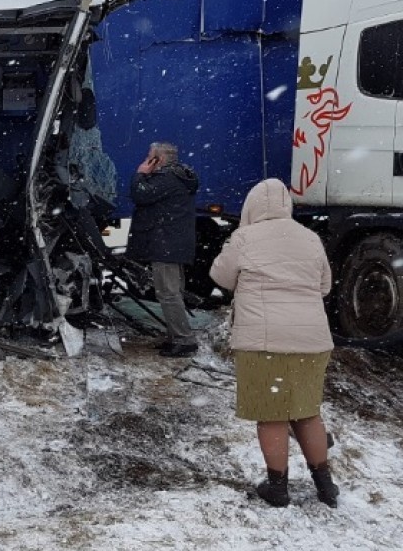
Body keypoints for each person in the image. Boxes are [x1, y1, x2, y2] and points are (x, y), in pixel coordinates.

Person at [209, 178, 338, 508]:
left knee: (272, 415)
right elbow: (325, 286)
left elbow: (220, 277)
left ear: (251, 207)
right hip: (312, 340)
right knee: (307, 413)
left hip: (264, 341)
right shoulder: (310, 238)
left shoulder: (245, 237)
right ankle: (326, 485)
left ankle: (278, 487)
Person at [127, 141, 200, 357]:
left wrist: (140, 173)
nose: (146, 159)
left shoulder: (166, 178)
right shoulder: (178, 177)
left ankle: (184, 340)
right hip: (173, 243)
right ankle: (175, 336)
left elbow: (140, 194)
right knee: (172, 292)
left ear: (157, 159)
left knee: (168, 293)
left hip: (165, 244)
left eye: (149, 156)